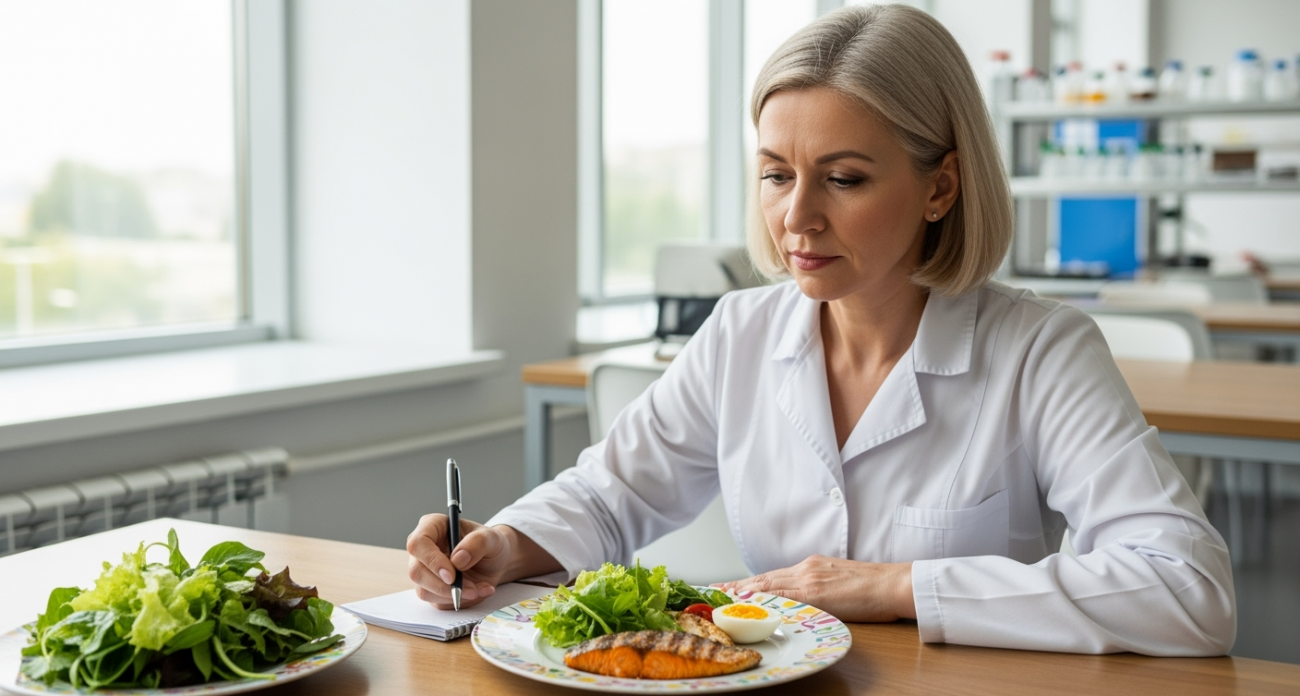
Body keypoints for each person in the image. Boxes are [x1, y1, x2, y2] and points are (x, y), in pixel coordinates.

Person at [407, 4, 1235, 656]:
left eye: (843, 178)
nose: (795, 218)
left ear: (941, 186)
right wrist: (505, 545)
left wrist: (894, 587)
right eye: (776, 175)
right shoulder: (741, 331)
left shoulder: (1040, 351)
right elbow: (614, 491)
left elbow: (1188, 592)